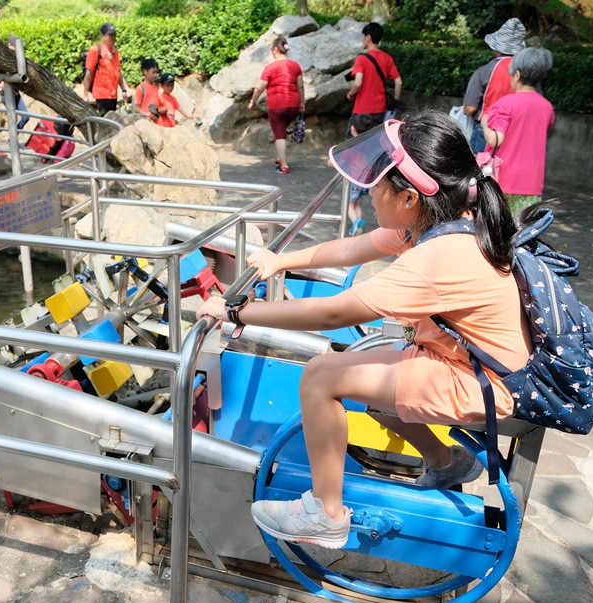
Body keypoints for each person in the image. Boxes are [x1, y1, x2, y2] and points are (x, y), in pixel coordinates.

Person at [196, 111, 532, 548]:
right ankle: (444, 462)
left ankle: (326, 514)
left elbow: (336, 313)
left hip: (484, 382)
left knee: (322, 376)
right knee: (361, 379)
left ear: (410, 197)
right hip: (470, 363)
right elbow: (353, 248)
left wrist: (238, 313)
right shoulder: (441, 221)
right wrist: (281, 261)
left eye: (377, 183)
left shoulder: (439, 255)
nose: (367, 191)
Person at [482, 48, 555, 218]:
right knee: (521, 231)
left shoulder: (506, 104)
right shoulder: (547, 107)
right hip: (532, 184)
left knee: (495, 231)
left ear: (516, 75)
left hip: (502, 180)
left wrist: (485, 123)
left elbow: (495, 139)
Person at [345, 22, 401, 234]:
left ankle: (355, 187)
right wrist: (393, 102)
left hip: (362, 111)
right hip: (380, 112)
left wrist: (351, 93)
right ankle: (374, 181)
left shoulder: (362, 58)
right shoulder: (387, 58)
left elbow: (358, 81)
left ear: (367, 37)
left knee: (355, 144)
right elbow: (398, 81)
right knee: (376, 150)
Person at [462, 18, 526, 154]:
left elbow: (470, 108)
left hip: (486, 131)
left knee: (482, 172)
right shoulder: (528, 74)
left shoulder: (484, 71)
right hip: (518, 133)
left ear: (496, 48)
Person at [249, 36, 304, 175]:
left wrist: (252, 101)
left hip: (277, 104)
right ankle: (280, 158)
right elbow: (301, 86)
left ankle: (283, 166)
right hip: (293, 104)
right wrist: (302, 103)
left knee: (279, 134)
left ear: (275, 49)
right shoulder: (295, 66)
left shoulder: (270, 67)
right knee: (282, 130)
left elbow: (259, 88)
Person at [82, 22, 130, 114]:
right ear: (102, 35)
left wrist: (123, 90)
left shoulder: (115, 51)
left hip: (113, 94)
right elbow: (89, 73)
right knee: (106, 122)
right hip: (102, 94)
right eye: (110, 35)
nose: (113, 37)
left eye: (114, 34)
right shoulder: (96, 50)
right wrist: (85, 94)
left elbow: (118, 72)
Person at [6, 35, 31, 130]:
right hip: (7, 93)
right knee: (13, 117)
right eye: (15, 47)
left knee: (26, 117)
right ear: (9, 45)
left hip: (16, 93)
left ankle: (13, 137)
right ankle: (12, 140)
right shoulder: (6, 58)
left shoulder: (16, 58)